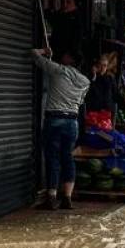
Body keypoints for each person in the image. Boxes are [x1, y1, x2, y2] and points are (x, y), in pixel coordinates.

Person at [31, 47, 90, 210]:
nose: (62, 55)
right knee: (68, 158)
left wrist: (44, 51)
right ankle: (67, 198)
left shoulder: (57, 70)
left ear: (70, 59)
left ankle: (51, 197)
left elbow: (34, 55)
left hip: (54, 119)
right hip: (72, 122)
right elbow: (79, 102)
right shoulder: (85, 81)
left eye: (65, 54)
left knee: (53, 158)